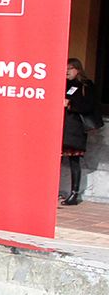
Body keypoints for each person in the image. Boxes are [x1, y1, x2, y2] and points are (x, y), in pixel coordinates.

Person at [62, 58, 97, 206]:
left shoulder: (85, 85)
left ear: (77, 69)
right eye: (65, 68)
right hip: (60, 127)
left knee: (73, 161)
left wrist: (70, 104)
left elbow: (88, 106)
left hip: (74, 130)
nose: (67, 71)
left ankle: (74, 194)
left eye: (70, 68)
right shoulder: (62, 84)